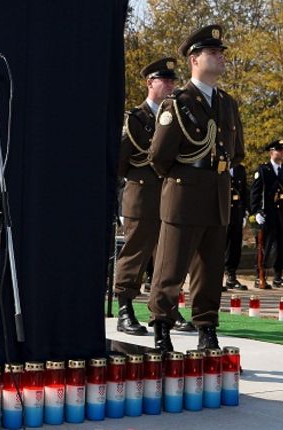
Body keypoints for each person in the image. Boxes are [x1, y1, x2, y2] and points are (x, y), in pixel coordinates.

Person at [147, 24, 245, 353]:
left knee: (210, 269)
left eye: (221, 53)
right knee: (170, 267)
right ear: (194, 59)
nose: (220, 57)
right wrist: (187, 176)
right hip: (184, 193)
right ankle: (162, 326)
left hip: (216, 194)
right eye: (212, 53)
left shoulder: (228, 104)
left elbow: (237, 152)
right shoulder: (177, 102)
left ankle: (207, 328)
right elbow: (159, 156)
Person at [115, 57, 193, 335]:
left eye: (173, 81)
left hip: (170, 195)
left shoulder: (177, 118)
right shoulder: (135, 119)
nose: (171, 85)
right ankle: (125, 308)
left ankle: (164, 309)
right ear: (150, 83)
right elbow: (119, 164)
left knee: (168, 256)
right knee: (136, 252)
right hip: (143, 195)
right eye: (165, 80)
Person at [250, 139, 283, 289]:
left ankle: (278, 276)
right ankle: (259, 275)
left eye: (282, 150)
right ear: (271, 152)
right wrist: (256, 211)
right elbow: (255, 193)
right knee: (265, 246)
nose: (281, 152)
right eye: (278, 150)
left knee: (281, 246)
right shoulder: (263, 170)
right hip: (267, 214)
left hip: (282, 214)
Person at [224, 162, 250, 290]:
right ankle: (215, 278)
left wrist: (245, 211)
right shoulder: (219, 165)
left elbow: (244, 190)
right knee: (220, 246)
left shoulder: (240, 169)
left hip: (237, 213)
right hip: (222, 213)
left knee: (235, 246)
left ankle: (231, 276)